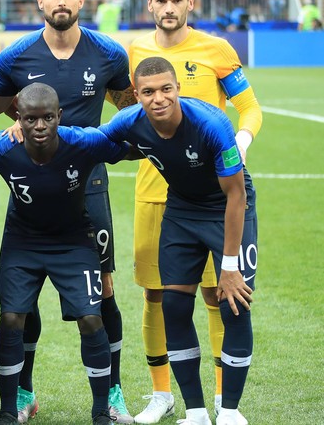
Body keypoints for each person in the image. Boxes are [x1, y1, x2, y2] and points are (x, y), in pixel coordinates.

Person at [0, 0, 137, 424]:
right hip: (34, 192)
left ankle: (113, 394)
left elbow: (127, 109)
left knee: (104, 293)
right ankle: (23, 394)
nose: (61, 2)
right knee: (23, 302)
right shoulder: (16, 58)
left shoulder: (107, 53)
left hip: (89, 189)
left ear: (81, 1)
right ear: (41, 2)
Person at [128, 0, 263, 424]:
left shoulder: (217, 49)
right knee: (157, 296)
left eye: (176, 0)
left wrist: (239, 146)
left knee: (217, 294)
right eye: (160, 1)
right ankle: (162, 394)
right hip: (153, 192)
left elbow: (249, 107)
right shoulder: (137, 51)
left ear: (190, 3)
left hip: (210, 195)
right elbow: (130, 112)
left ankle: (226, 403)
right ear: (150, 5)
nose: (168, 8)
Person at [100, 57, 257, 425]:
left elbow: (236, 196)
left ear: (178, 90)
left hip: (226, 208)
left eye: (166, 89)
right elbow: (94, 144)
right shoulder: (127, 121)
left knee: (234, 303)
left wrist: (229, 268)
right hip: (182, 209)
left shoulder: (212, 124)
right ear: (135, 95)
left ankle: (230, 411)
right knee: (173, 306)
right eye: (149, 92)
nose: (159, 98)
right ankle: (197, 413)